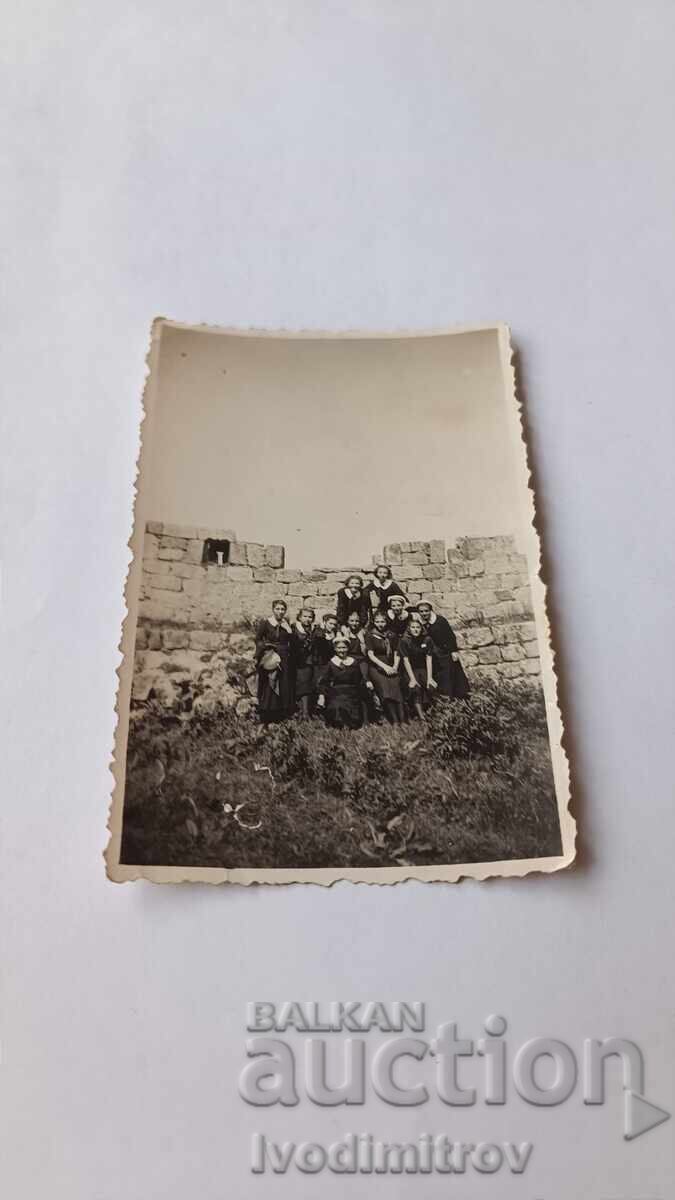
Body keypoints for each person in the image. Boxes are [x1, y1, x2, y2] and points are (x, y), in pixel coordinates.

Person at [316, 635, 374, 730]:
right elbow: (323, 681)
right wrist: (321, 695)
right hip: (337, 691)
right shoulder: (331, 663)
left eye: (344, 648)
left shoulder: (353, 662)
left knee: (353, 706)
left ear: (348, 648)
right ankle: (341, 724)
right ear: (335, 649)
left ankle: (354, 722)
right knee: (338, 705)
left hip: (352, 691)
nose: (341, 650)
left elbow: (359, 678)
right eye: (339, 648)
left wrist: (367, 682)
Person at [416, 601, 470, 700]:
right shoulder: (419, 623)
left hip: (445, 652)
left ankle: (459, 698)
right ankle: (444, 699)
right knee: (439, 678)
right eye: (421, 611)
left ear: (430, 610)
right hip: (432, 655)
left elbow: (450, 636)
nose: (424, 613)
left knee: (451, 676)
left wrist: (454, 651)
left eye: (426, 611)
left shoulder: (440, 621)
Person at [255, 600, 295, 724]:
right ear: (273, 609)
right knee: (270, 682)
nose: (280, 612)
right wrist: (265, 649)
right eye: (278, 609)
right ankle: (267, 711)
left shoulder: (286, 624)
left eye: (283, 609)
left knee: (283, 682)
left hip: (284, 657)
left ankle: (280, 713)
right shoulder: (266, 623)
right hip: (270, 655)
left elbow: (293, 641)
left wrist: (289, 631)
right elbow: (258, 639)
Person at [364, 610, 404, 724]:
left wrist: (395, 666)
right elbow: (371, 655)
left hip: (391, 664)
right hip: (377, 666)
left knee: (396, 686)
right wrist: (385, 668)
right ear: (374, 622)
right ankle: (394, 720)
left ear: (386, 622)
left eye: (382, 621)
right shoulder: (370, 635)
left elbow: (397, 652)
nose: (380, 624)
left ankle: (403, 720)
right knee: (385, 688)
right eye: (377, 622)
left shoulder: (391, 635)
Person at [399, 615, 437, 720]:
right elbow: (406, 660)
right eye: (413, 627)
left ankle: (434, 712)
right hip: (410, 670)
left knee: (431, 686)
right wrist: (412, 679)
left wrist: (430, 678)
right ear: (409, 629)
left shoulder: (427, 639)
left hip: (423, 668)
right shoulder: (404, 641)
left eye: (418, 627)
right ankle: (422, 717)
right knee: (415, 688)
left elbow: (429, 658)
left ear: (421, 628)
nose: (415, 630)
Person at [291, 607, 316, 718]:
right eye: (305, 616)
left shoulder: (313, 629)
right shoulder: (294, 628)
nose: (307, 619)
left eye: (310, 617)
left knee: (305, 684)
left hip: (308, 661)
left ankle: (305, 712)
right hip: (295, 660)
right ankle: (298, 710)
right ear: (300, 617)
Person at [313, 612, 339, 691]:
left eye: (334, 624)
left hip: (329, 662)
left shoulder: (334, 633)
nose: (332, 626)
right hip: (319, 662)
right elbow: (321, 647)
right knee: (320, 683)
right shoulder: (319, 632)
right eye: (330, 623)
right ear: (324, 622)